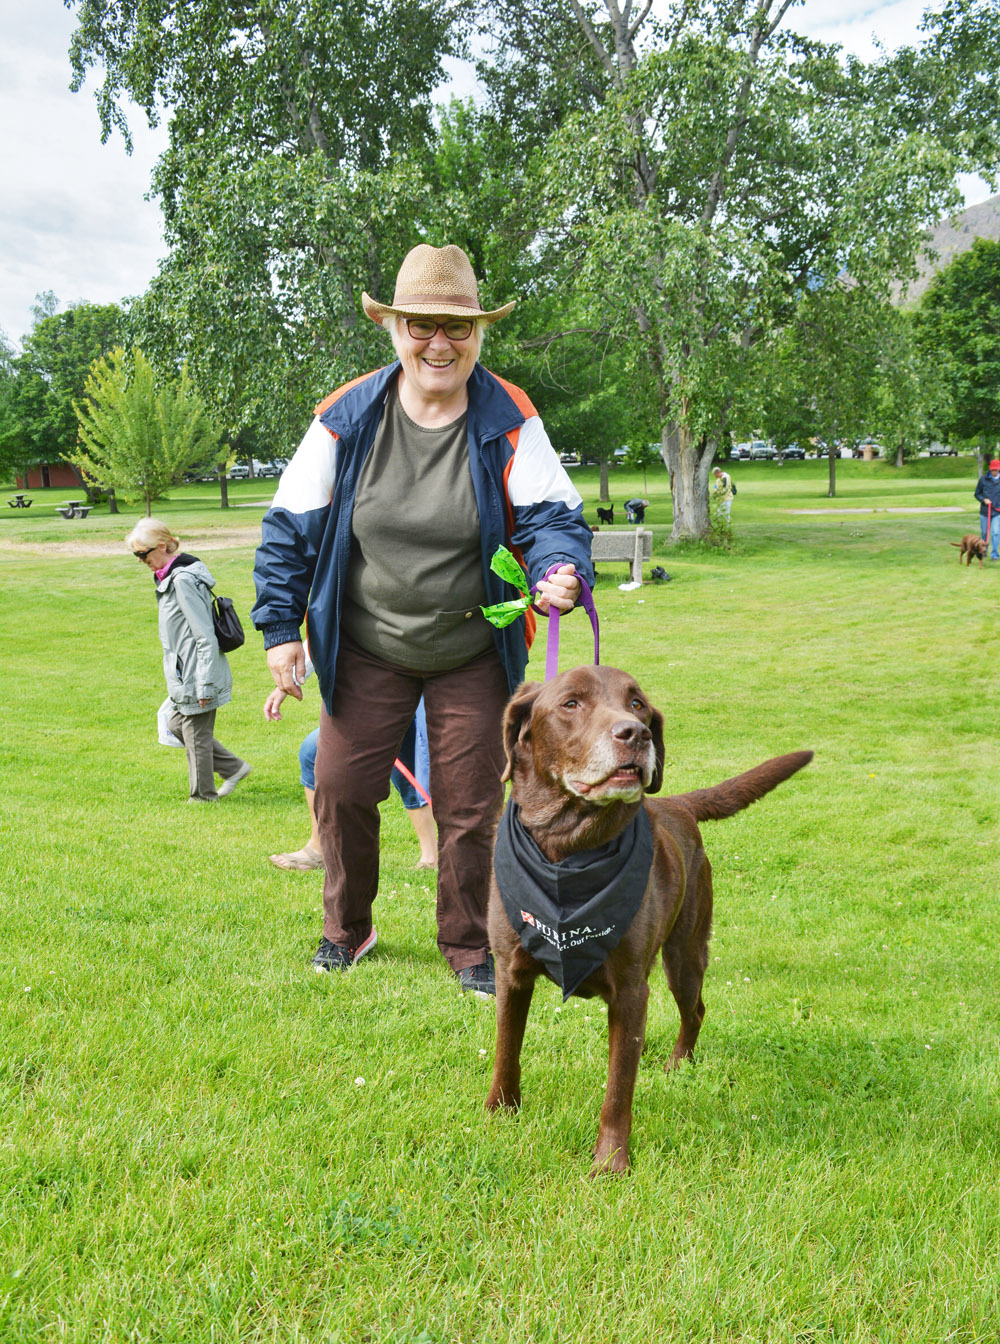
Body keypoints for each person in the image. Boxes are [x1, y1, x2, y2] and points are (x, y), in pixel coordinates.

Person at [251, 242, 595, 993]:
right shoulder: (347, 416)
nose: (439, 342)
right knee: (340, 786)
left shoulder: (509, 416)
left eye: (457, 327)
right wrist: (280, 630)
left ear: (478, 333)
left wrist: (559, 569)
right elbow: (290, 526)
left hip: (470, 648)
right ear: (394, 327)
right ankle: (348, 928)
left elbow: (552, 520)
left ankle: (470, 946)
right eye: (421, 325)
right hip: (368, 644)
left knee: (472, 802)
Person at [127, 517, 250, 802]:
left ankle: (203, 797)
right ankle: (233, 768)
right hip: (185, 670)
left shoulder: (182, 580)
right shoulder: (172, 577)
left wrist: (205, 684)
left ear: (161, 547)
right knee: (176, 724)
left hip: (197, 671)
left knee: (196, 735)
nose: (139, 561)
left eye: (141, 554)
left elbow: (204, 635)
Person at [265, 680, 437, 872]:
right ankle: (319, 849)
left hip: (422, 682)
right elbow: (327, 648)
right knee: (312, 751)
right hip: (375, 685)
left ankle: (431, 857)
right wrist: (288, 680)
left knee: (409, 754)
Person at [974, 458, 1000, 561]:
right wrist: (983, 500)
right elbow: (977, 494)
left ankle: (995, 555)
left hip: (997, 512)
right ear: (990, 469)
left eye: (996, 470)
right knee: (984, 533)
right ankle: (983, 551)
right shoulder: (983, 479)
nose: (994, 472)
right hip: (985, 511)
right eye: (993, 470)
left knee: (996, 532)